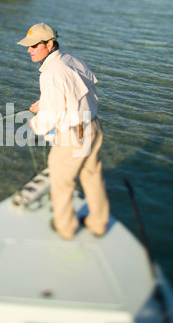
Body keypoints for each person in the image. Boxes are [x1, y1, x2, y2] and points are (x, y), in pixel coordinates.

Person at [17, 22, 110, 240]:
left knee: (61, 180)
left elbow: (52, 115)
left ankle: (65, 228)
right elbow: (83, 92)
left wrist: (35, 123)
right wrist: (45, 102)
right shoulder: (72, 60)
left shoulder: (49, 74)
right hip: (93, 125)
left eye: (33, 46)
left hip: (73, 134)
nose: (29, 50)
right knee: (91, 175)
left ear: (49, 44)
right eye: (27, 46)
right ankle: (98, 224)